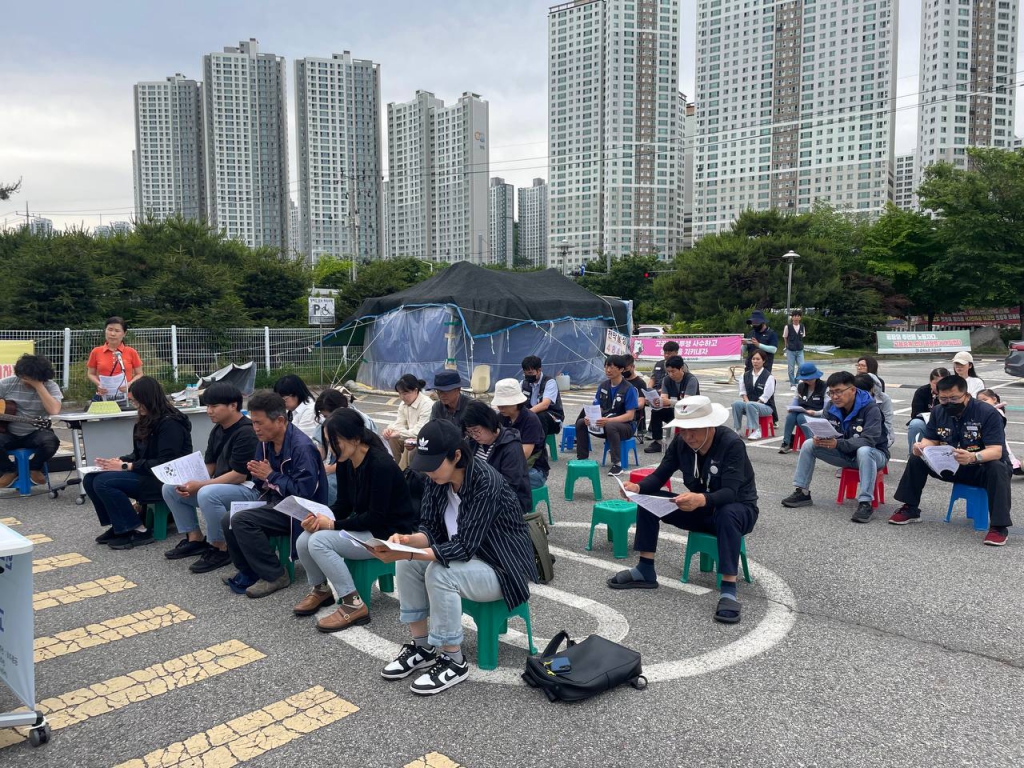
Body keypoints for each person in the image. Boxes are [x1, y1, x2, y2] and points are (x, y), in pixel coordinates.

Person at [370, 420, 537, 695]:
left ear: (457, 456)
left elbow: (464, 546)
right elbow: (431, 530)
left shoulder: (485, 482)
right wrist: (407, 542)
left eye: (434, 463)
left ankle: (454, 660)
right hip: (469, 562)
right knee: (406, 562)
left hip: (502, 568)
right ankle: (422, 647)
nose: (428, 470)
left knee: (439, 571)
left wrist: (418, 552)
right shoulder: (438, 480)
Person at [607, 397, 758, 624]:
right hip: (700, 507)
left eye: (693, 430)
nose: (688, 436)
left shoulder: (731, 444)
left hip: (739, 510)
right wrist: (637, 488)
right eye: (683, 430)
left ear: (710, 425)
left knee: (728, 512)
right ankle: (645, 569)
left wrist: (701, 499)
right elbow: (660, 475)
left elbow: (730, 492)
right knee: (648, 500)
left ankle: (728, 589)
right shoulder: (681, 443)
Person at [293, 409, 418, 631]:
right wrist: (318, 518)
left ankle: (353, 604)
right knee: (305, 538)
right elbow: (344, 505)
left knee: (319, 541)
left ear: (355, 438)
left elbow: (375, 517)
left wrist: (331, 525)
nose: (331, 448)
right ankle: (321, 590)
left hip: (389, 533)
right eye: (328, 442)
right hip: (368, 527)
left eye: (335, 441)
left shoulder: (380, 464)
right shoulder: (346, 461)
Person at [221, 391, 327, 598]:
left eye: (260, 423)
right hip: (277, 503)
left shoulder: (302, 447)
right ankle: (250, 570)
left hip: (301, 510)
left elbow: (304, 492)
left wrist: (271, 475)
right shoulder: (264, 442)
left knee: (242, 520)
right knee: (228, 518)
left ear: (280, 420)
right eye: (253, 422)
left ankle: (276, 575)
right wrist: (260, 475)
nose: (256, 428)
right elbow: (263, 482)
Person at [888, 375, 1012, 546]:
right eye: (943, 398)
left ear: (966, 394)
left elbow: (996, 451)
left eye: (954, 398)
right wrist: (922, 447)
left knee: (997, 467)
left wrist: (973, 457)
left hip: (981, 468)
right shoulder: (939, 411)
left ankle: (999, 527)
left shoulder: (987, 412)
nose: (949, 403)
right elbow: (932, 439)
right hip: (952, 465)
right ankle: (910, 508)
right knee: (917, 459)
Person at [161, 382, 260, 572]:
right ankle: (195, 538)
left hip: (249, 490)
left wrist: (200, 485)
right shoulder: (218, 429)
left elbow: (239, 475)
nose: (209, 411)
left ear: (233, 405)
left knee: (208, 493)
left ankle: (221, 547)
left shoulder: (246, 432)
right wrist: (188, 482)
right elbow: (211, 465)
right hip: (223, 487)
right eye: (207, 406)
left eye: (214, 406)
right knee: (170, 487)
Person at [88, 377, 192, 549]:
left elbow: (166, 462)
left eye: (138, 402)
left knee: (103, 482)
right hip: (148, 473)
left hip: (165, 479)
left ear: (149, 399)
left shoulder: (171, 423)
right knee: (91, 478)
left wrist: (126, 466)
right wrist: (118, 461)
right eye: (134, 402)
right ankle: (119, 525)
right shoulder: (146, 420)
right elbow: (138, 454)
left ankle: (138, 530)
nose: (136, 406)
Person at [781, 371, 889, 523]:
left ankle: (865, 503)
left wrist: (838, 443)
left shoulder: (871, 409)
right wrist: (820, 437)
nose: (834, 397)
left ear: (852, 390)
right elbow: (826, 427)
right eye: (831, 392)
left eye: (839, 392)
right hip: (845, 453)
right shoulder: (831, 407)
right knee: (809, 444)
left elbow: (869, 441)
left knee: (864, 450)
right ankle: (802, 492)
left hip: (874, 455)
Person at [0, 354, 63, 489]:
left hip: (36, 431)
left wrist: (39, 386)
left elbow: (54, 410)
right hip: (7, 432)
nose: (24, 380)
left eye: (29, 378)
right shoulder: (7, 383)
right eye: (22, 376)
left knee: (51, 442)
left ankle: (34, 468)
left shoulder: (51, 386)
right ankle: (9, 470)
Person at [461, 399, 532, 514]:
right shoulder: (473, 443)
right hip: (479, 497)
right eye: (469, 432)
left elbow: (510, 485)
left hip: (508, 502)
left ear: (487, 423)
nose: (474, 436)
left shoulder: (511, 446)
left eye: (476, 431)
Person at [574, 355, 639, 477]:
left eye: (612, 367)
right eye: (606, 367)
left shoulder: (628, 388)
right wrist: (589, 417)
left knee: (611, 426)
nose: (608, 370)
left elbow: (630, 416)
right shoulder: (603, 386)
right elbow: (597, 407)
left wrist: (608, 420)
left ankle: (617, 464)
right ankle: (582, 459)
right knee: (581, 422)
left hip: (626, 427)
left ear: (621, 369)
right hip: (604, 422)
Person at [313, 388, 378, 507]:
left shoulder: (359, 422)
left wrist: (328, 469)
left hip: (352, 468)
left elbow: (356, 459)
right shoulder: (327, 423)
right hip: (338, 466)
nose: (325, 419)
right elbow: (321, 449)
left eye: (327, 416)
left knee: (326, 486)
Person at [492, 378, 549, 490]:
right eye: (499, 404)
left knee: (501, 483)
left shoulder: (530, 420)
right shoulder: (501, 418)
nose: (500, 407)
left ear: (516, 402)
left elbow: (524, 454)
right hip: (507, 466)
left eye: (504, 404)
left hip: (534, 470)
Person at [645, 355, 700, 454]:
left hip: (690, 413)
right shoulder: (666, 380)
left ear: (681, 369)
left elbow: (687, 403)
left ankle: (682, 442)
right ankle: (657, 441)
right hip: (674, 410)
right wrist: (656, 402)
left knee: (683, 411)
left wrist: (669, 402)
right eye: (668, 371)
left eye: (673, 371)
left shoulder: (691, 380)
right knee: (656, 411)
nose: (671, 374)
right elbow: (664, 398)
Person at [86, 316, 143, 403]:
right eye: (110, 329)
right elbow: (90, 373)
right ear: (105, 330)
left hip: (127, 397)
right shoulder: (96, 351)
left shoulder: (131, 352)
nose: (112, 334)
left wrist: (129, 385)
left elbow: (139, 374)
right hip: (104, 397)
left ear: (124, 333)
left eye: (117, 331)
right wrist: (99, 384)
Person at [381, 374, 432, 469]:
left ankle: (402, 473)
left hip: (424, 440)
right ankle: (395, 467)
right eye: (400, 393)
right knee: (392, 437)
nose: (402, 397)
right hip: (410, 435)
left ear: (416, 390)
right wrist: (389, 430)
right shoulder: (403, 404)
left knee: (409, 443)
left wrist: (399, 433)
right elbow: (399, 423)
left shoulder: (427, 404)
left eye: (405, 393)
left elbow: (419, 431)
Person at [779, 362, 826, 454]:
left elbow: (827, 409)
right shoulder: (800, 386)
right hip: (803, 413)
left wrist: (815, 413)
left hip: (819, 415)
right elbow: (795, 403)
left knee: (801, 417)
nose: (806, 381)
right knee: (791, 416)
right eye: (804, 379)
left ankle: (810, 443)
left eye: (808, 379)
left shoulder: (825, 387)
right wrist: (791, 408)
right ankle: (786, 442)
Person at [731, 349, 776, 441]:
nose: (755, 361)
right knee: (736, 404)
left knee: (751, 405)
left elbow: (765, 397)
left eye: (758, 359)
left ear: (763, 361)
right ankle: (737, 429)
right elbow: (742, 392)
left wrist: (751, 404)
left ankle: (756, 430)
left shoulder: (769, 377)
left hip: (765, 407)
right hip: (750, 404)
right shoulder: (745, 375)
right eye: (753, 359)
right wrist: (747, 402)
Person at [977, 389, 1022, 476]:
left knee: (1003, 453)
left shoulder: (997, 412)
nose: (983, 403)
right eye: (980, 401)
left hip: (998, 439)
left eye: (985, 400)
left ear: (994, 399)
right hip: (989, 439)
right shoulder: (984, 412)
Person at [906, 367, 950, 452]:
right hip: (927, 422)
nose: (940, 387)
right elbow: (915, 413)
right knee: (915, 424)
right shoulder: (922, 392)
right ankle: (914, 456)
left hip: (947, 424)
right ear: (930, 382)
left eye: (943, 383)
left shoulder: (952, 393)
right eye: (936, 383)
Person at [520, 356, 565, 436]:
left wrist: (526, 414)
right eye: (525, 373)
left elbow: (545, 404)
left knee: (539, 416)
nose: (528, 376)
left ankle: (539, 447)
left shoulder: (550, 382)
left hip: (553, 419)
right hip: (531, 417)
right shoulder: (523, 384)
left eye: (530, 373)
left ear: (539, 370)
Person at [854, 373, 895, 451]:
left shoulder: (883, 399)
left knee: (864, 451)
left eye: (864, 392)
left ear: (872, 389)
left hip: (879, 435)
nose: (861, 396)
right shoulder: (850, 399)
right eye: (858, 393)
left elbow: (887, 422)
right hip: (856, 436)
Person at [273, 374, 318, 440]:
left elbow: (300, 439)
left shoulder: (310, 411)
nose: (281, 403)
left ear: (297, 394)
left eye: (283, 399)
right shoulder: (291, 409)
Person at [622, 354, 648, 442]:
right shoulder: (619, 381)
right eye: (622, 369)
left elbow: (641, 403)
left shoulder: (640, 383)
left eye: (626, 369)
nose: (624, 371)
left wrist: (627, 405)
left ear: (633, 367)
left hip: (633, 412)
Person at [782, 310, 806, 389]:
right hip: (790, 350)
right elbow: (785, 337)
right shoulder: (788, 327)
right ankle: (792, 384)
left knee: (801, 366)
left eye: (798, 316)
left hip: (800, 350)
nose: (796, 318)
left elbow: (802, 337)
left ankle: (797, 380)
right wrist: (786, 347)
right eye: (794, 316)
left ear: (800, 317)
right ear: (792, 317)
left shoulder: (802, 326)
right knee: (791, 368)